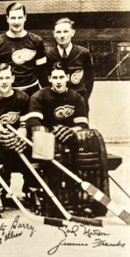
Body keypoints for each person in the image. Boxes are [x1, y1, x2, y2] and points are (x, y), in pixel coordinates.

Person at [26, 62, 89, 215]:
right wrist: (48, 135)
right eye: (55, 77)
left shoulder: (76, 97)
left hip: (67, 141)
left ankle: (78, 197)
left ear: (67, 77)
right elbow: (33, 122)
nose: (58, 81)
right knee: (33, 152)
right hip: (45, 141)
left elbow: (82, 124)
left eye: (61, 77)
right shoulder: (39, 95)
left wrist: (71, 131)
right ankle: (36, 193)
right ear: (49, 79)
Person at [0, 63, 31, 215]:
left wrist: (19, 136)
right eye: (0, 78)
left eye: (7, 78)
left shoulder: (23, 97)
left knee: (30, 151)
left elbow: (24, 124)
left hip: (15, 140)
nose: (4, 81)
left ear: (13, 79)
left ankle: (32, 192)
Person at [0, 3, 48, 97]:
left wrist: (45, 95)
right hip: (8, 93)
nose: (16, 22)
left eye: (20, 17)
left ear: (25, 17)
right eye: (13, 18)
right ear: (7, 18)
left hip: (32, 91)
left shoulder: (36, 41)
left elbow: (43, 72)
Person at [46, 17, 94, 112]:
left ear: (72, 32)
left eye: (65, 31)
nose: (62, 35)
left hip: (79, 100)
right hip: (56, 101)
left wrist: (83, 97)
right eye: (58, 32)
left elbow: (89, 79)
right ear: (54, 34)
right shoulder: (49, 55)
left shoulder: (83, 53)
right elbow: (46, 80)